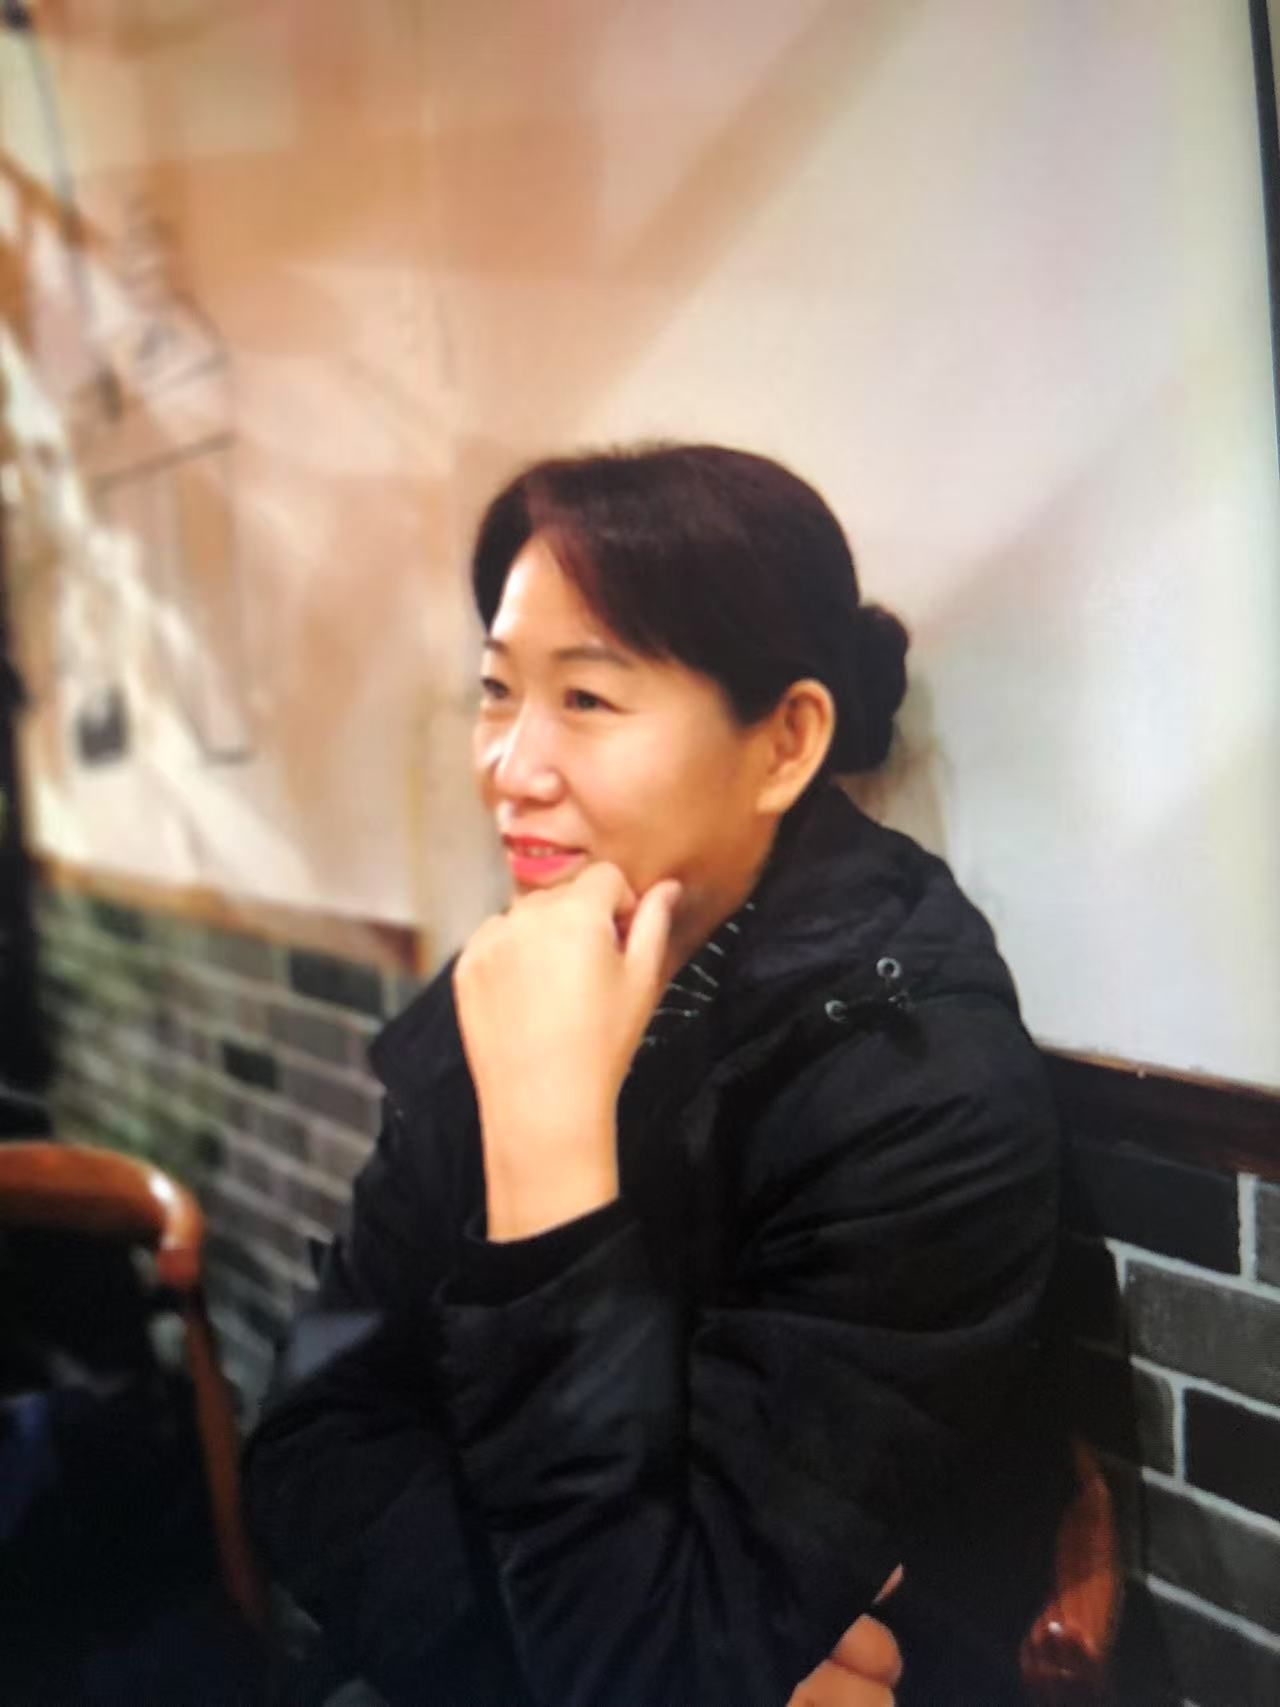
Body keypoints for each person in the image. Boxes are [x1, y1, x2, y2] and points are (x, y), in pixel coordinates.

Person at [243, 444, 1065, 1706]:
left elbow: (644, 1668)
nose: (510, 767)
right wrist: (583, 1649)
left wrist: (550, 1171)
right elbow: (305, 1430)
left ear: (783, 742)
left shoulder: (916, 1093)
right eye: (495, 691)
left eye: (585, 699)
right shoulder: (525, 970)